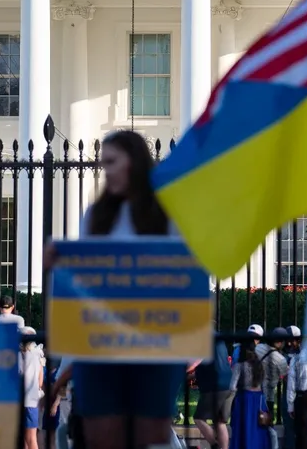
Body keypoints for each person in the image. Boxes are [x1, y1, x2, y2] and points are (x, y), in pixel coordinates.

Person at [44, 130, 186, 449]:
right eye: (102, 162)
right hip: (103, 346)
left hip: (154, 343)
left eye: (111, 161)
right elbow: (84, 288)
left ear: (134, 162)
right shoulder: (96, 216)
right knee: (102, 436)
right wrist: (60, 263)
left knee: (149, 437)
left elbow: (184, 275)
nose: (105, 170)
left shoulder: (167, 214)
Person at [191, 334, 234, 449]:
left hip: (214, 386)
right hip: (229, 383)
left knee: (199, 418)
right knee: (220, 421)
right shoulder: (219, 339)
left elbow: (194, 362)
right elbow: (215, 363)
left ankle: (215, 445)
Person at [229, 342, 270, 449]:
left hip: (244, 399)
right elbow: (265, 385)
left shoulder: (239, 366)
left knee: (243, 429)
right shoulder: (261, 365)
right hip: (258, 399)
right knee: (258, 429)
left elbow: (232, 387)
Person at [20, 327, 44, 449]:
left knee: (26, 438)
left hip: (20, 400)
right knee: (31, 437)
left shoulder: (17, 355)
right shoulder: (37, 354)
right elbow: (40, 381)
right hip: (32, 399)